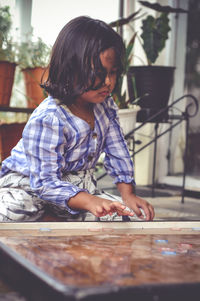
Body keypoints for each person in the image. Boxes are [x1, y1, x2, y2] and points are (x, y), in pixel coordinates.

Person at [0, 16, 154, 222]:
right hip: (30, 187)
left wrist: (128, 195)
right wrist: (90, 202)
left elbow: (118, 150)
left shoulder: (106, 107)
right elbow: (44, 182)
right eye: (99, 73)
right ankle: (47, 216)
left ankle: (57, 217)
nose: (108, 82)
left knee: (127, 218)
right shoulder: (49, 117)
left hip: (77, 192)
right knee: (11, 215)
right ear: (70, 69)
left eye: (113, 73)